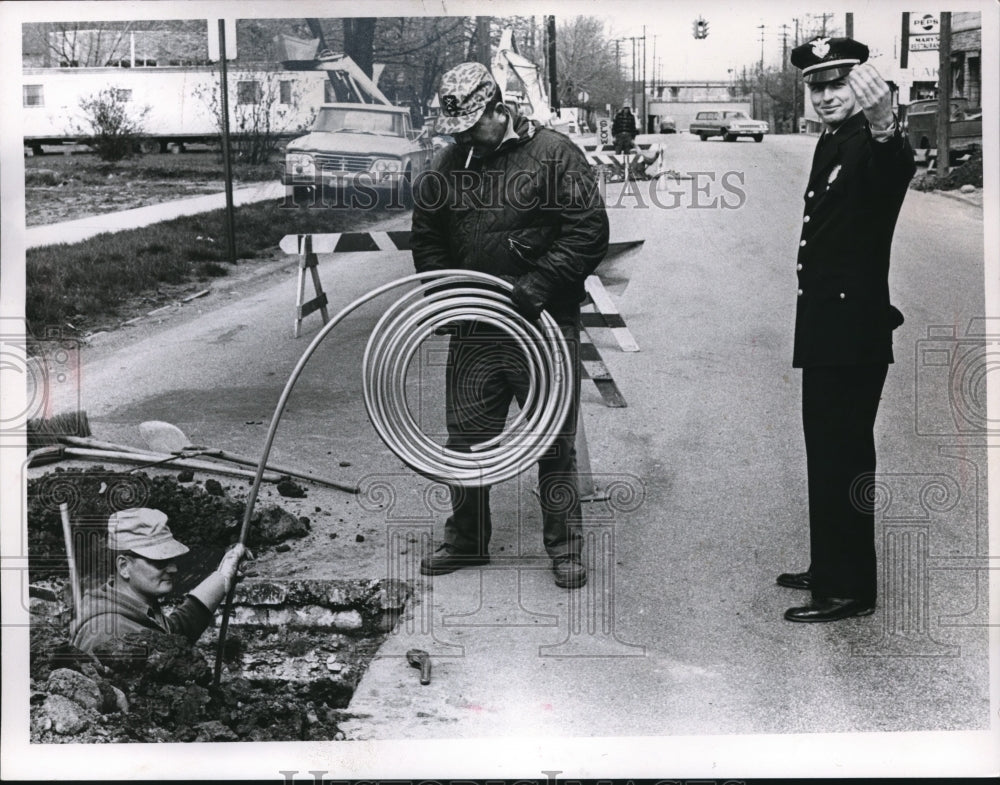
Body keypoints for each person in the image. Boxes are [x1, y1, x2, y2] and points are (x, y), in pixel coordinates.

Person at [410, 61, 609, 589]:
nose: (465, 136)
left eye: (474, 124)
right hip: (476, 325)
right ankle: (467, 541)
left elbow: (588, 231)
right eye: (458, 128)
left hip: (540, 325)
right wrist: (443, 295)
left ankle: (565, 548)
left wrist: (540, 284)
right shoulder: (446, 164)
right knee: (467, 440)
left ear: (499, 108)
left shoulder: (553, 154)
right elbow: (427, 236)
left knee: (553, 440)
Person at [779, 37, 915, 622]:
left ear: (860, 89)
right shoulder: (834, 139)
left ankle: (849, 589)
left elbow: (894, 171)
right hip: (827, 326)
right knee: (825, 451)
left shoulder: (870, 140)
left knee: (845, 457)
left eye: (838, 85)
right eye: (818, 86)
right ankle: (829, 564)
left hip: (852, 330)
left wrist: (887, 125)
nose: (828, 96)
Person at [71, 507, 248, 652]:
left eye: (171, 560)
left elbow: (174, 635)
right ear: (124, 566)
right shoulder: (105, 632)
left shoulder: (137, 610)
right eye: (159, 561)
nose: (173, 569)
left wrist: (223, 576)